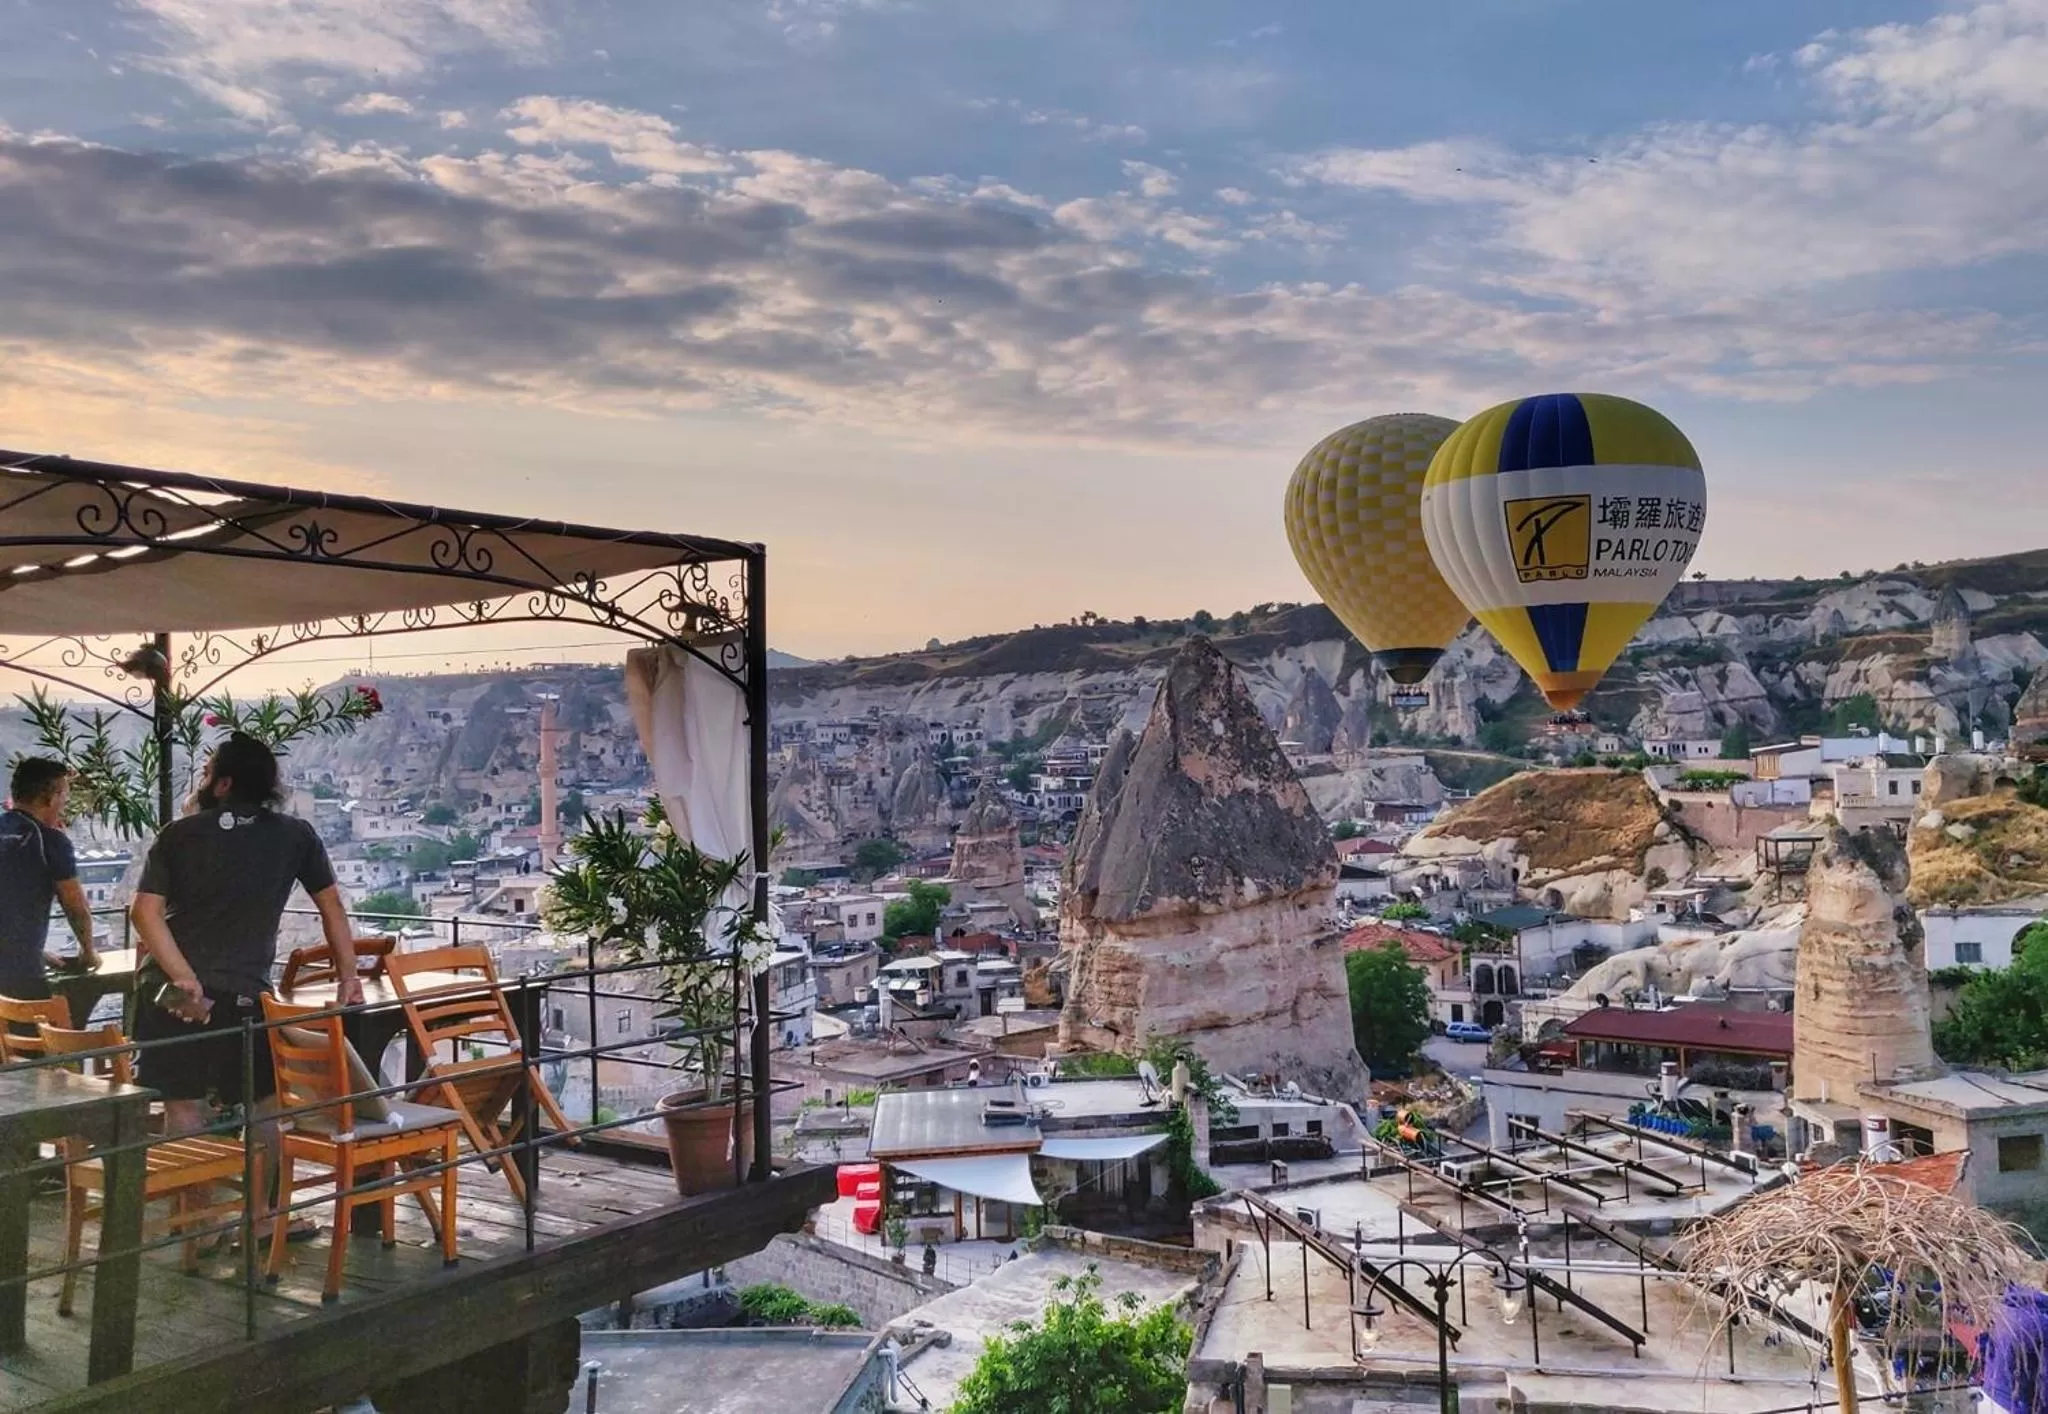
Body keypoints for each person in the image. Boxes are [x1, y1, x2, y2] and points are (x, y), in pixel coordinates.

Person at [130, 732, 363, 1237]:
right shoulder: (296, 835)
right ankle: (261, 1219)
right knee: (264, 1106)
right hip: (242, 994)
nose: (202, 778)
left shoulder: (180, 834)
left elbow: (144, 913)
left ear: (224, 783)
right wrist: (349, 978)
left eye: (208, 770)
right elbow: (332, 908)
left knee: (183, 1105)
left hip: (167, 994)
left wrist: (184, 978)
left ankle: (201, 1225)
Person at [0, 757, 99, 1001]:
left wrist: (37, 952)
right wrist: (88, 952)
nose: (65, 803)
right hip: (20, 978)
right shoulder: (50, 840)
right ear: (50, 797)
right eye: (65, 796)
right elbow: (75, 907)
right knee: (39, 1036)